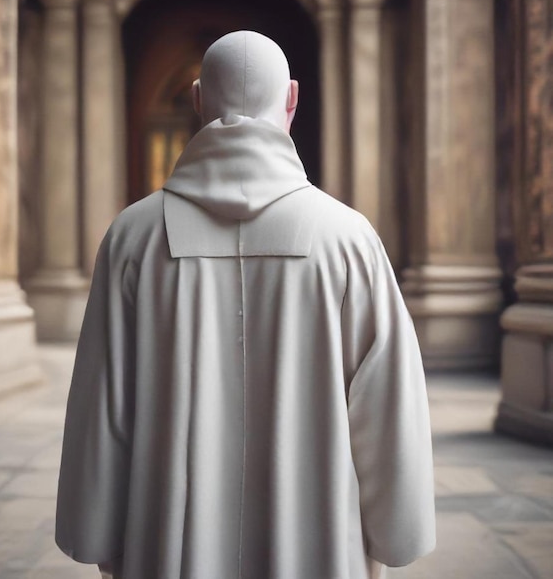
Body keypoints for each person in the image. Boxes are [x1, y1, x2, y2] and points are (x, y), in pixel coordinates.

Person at [55, 30, 436, 579]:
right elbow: (387, 407)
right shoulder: (349, 238)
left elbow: (103, 402)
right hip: (319, 549)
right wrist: (396, 532)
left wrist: (93, 528)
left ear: (196, 100)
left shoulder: (131, 237)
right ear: (292, 99)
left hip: (166, 547)